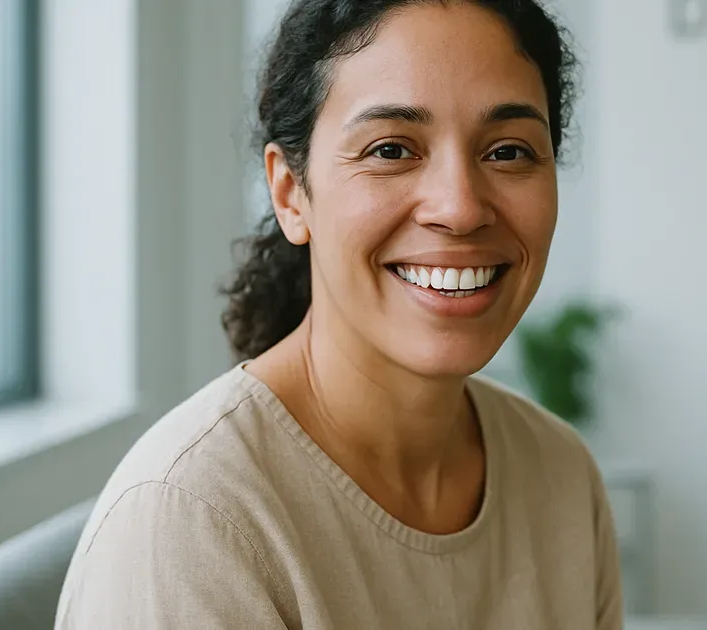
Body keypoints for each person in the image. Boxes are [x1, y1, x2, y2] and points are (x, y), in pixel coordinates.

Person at [55, 0, 623, 627]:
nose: (460, 208)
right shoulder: (192, 519)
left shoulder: (562, 475)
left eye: (509, 152)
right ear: (290, 193)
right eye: (391, 149)